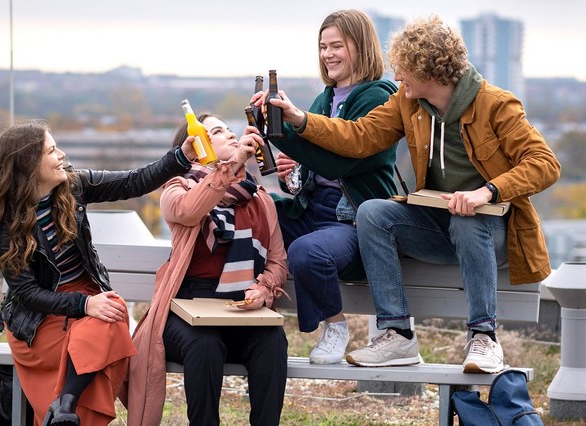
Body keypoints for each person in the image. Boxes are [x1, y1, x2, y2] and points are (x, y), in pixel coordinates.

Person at [255, 15, 561, 373]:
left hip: (490, 229)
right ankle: (397, 334)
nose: (397, 78)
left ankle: (483, 338)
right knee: (372, 212)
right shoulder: (408, 103)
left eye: (403, 69)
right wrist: (298, 118)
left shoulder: (495, 104)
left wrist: (487, 192)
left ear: (428, 70)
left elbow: (545, 163)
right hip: (436, 224)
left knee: (467, 220)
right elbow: (358, 137)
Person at [0, 120, 196, 425]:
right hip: (39, 322)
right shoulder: (8, 221)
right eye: (51, 150)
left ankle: (64, 406)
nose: (62, 154)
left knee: (110, 315)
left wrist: (180, 157)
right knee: (109, 323)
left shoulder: (73, 186)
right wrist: (85, 305)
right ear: (28, 165)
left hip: (85, 301)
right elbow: (27, 293)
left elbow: (133, 182)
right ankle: (66, 405)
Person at [121, 113, 288, 426]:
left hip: (240, 307)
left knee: (272, 341)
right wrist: (229, 167)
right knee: (205, 343)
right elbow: (190, 210)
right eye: (216, 131)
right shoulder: (177, 187)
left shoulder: (259, 199)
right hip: (186, 309)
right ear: (195, 145)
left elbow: (277, 260)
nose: (229, 134)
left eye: (228, 128)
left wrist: (263, 289)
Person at [268, 9, 398, 365]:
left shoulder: (378, 97)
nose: (328, 54)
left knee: (308, 253)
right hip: (313, 209)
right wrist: (290, 172)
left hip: (354, 220)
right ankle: (256, 328)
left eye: (337, 45)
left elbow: (338, 161)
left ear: (362, 47)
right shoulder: (325, 99)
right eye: (323, 46)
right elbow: (312, 167)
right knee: (254, 214)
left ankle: (336, 325)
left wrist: (285, 134)